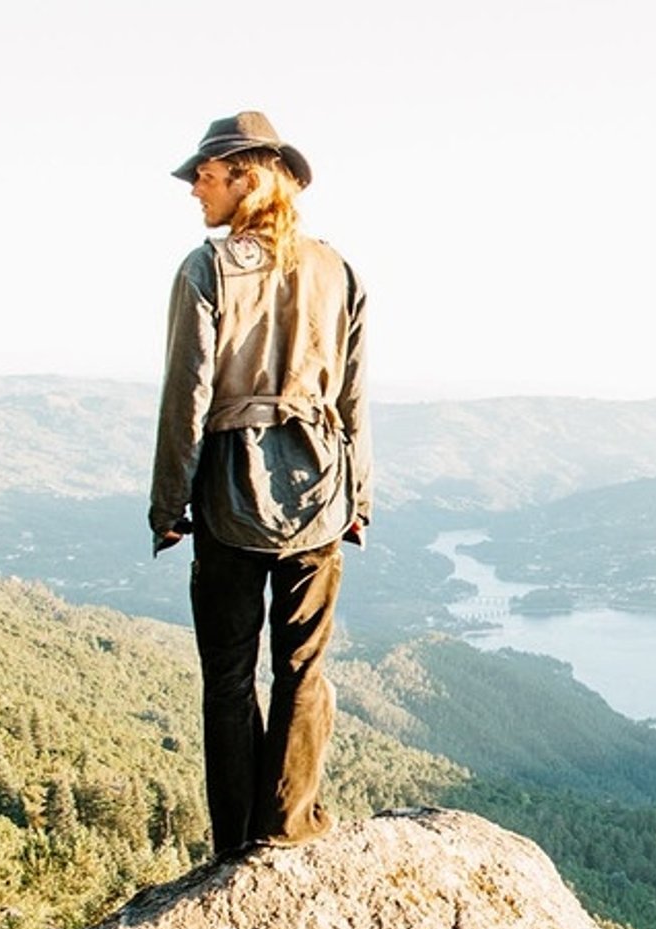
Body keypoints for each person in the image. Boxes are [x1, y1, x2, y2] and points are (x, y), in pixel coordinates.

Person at [148, 111, 371, 856]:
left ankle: (237, 839)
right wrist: (358, 496)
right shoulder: (337, 269)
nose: (194, 193)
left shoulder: (205, 269)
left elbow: (188, 394)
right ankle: (291, 821)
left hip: (228, 495)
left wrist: (168, 503)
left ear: (245, 177)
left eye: (203, 178)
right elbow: (354, 396)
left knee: (229, 676)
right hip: (320, 491)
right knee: (302, 667)